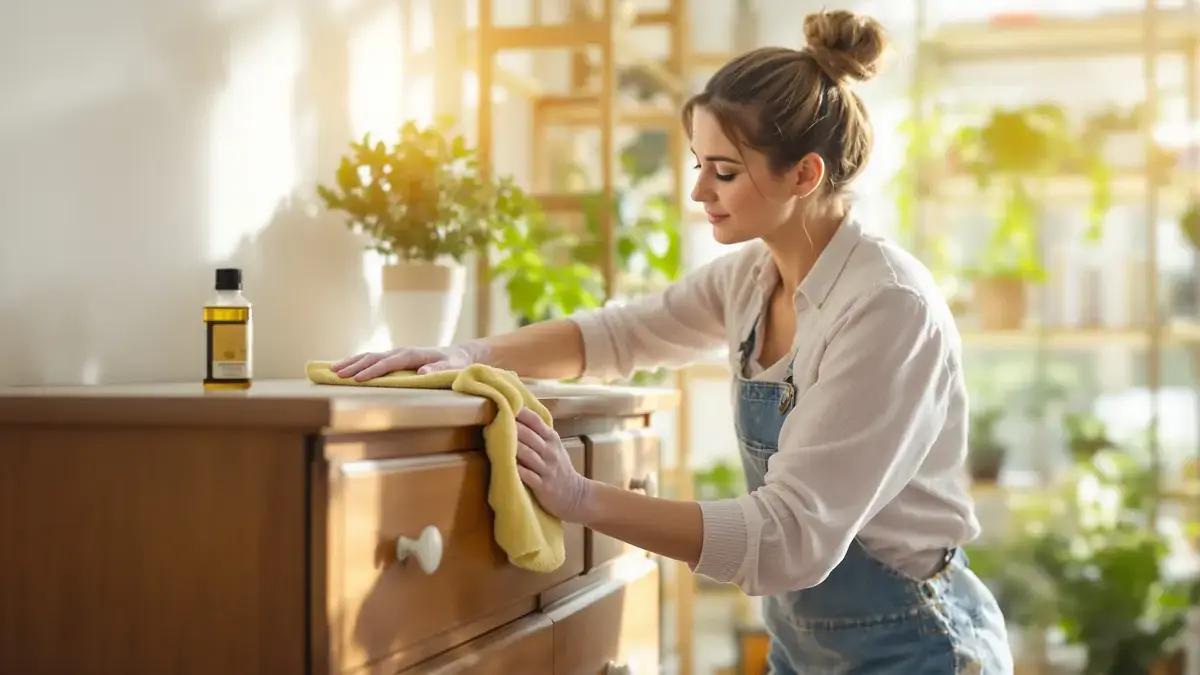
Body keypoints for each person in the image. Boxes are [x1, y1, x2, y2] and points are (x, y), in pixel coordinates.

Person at [332, 9, 1011, 674]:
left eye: (723, 171)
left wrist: (582, 498)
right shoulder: (753, 276)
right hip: (804, 643)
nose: (698, 192)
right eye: (698, 164)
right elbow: (619, 333)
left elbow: (788, 540)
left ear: (804, 175)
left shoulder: (885, 307)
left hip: (914, 643)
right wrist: (467, 356)